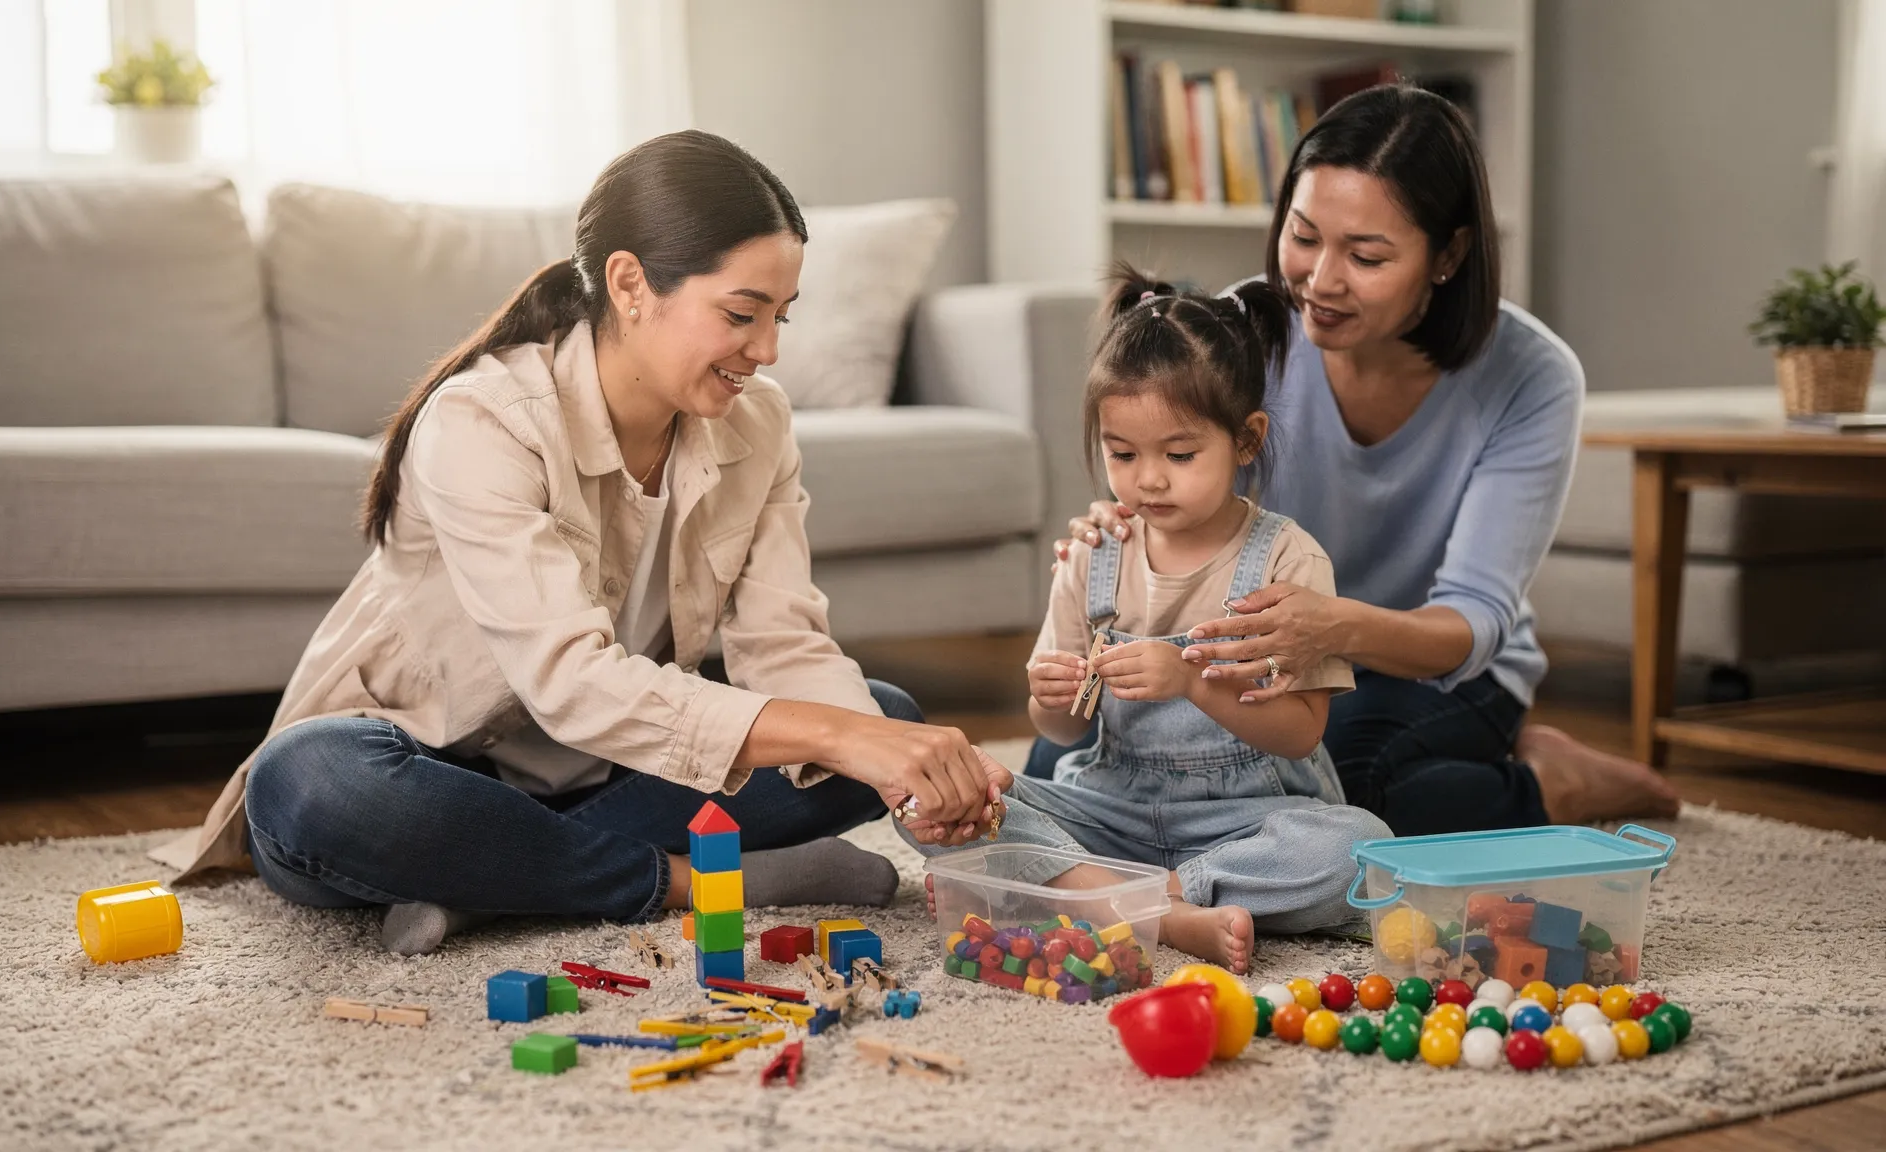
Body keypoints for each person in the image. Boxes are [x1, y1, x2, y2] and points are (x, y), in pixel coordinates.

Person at [152, 130, 1007, 954]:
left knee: (886, 715)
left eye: (782, 316)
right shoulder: (483, 420)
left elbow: (783, 643)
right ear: (630, 284)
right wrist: (838, 740)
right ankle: (697, 880)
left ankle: (501, 880)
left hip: (614, 780)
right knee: (309, 784)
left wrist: (889, 761)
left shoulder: (762, 424)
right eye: (743, 314)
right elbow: (571, 685)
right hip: (438, 763)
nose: (769, 350)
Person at [1034, 85, 1680, 835]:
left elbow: (1473, 620)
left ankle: (1551, 784)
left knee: (1347, 789)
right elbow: (1177, 483)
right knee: (1071, 769)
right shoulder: (1247, 331)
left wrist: (1332, 627)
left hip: (1435, 667)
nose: (1321, 280)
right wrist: (1119, 531)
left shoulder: (1531, 377)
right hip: (1262, 658)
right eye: (1304, 237)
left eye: (1366, 256)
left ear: (1449, 255)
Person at [902, 269, 1391, 975]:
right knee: (930, 796)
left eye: (1180, 455)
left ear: (1246, 440)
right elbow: (1062, 733)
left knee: (1355, 848)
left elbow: (1301, 732)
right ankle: (1129, 900)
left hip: (1245, 820)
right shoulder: (1095, 555)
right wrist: (1048, 695)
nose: (1148, 480)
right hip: (1116, 813)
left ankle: (1134, 897)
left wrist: (1193, 682)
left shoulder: (1287, 558)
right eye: (1122, 454)